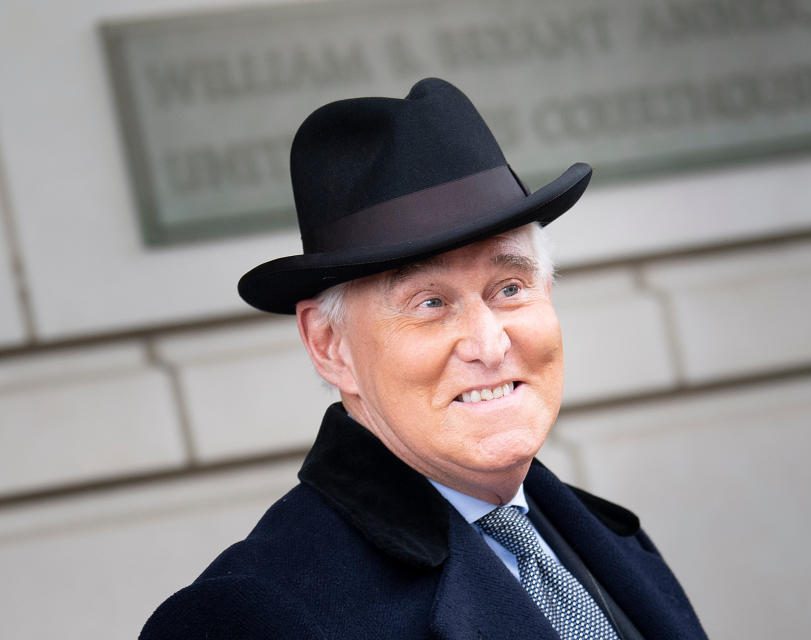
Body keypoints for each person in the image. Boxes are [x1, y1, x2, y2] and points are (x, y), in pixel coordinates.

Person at [140, 78, 708, 640]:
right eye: (430, 304)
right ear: (328, 345)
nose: (488, 344)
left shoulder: (609, 544)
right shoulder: (252, 618)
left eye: (509, 288)